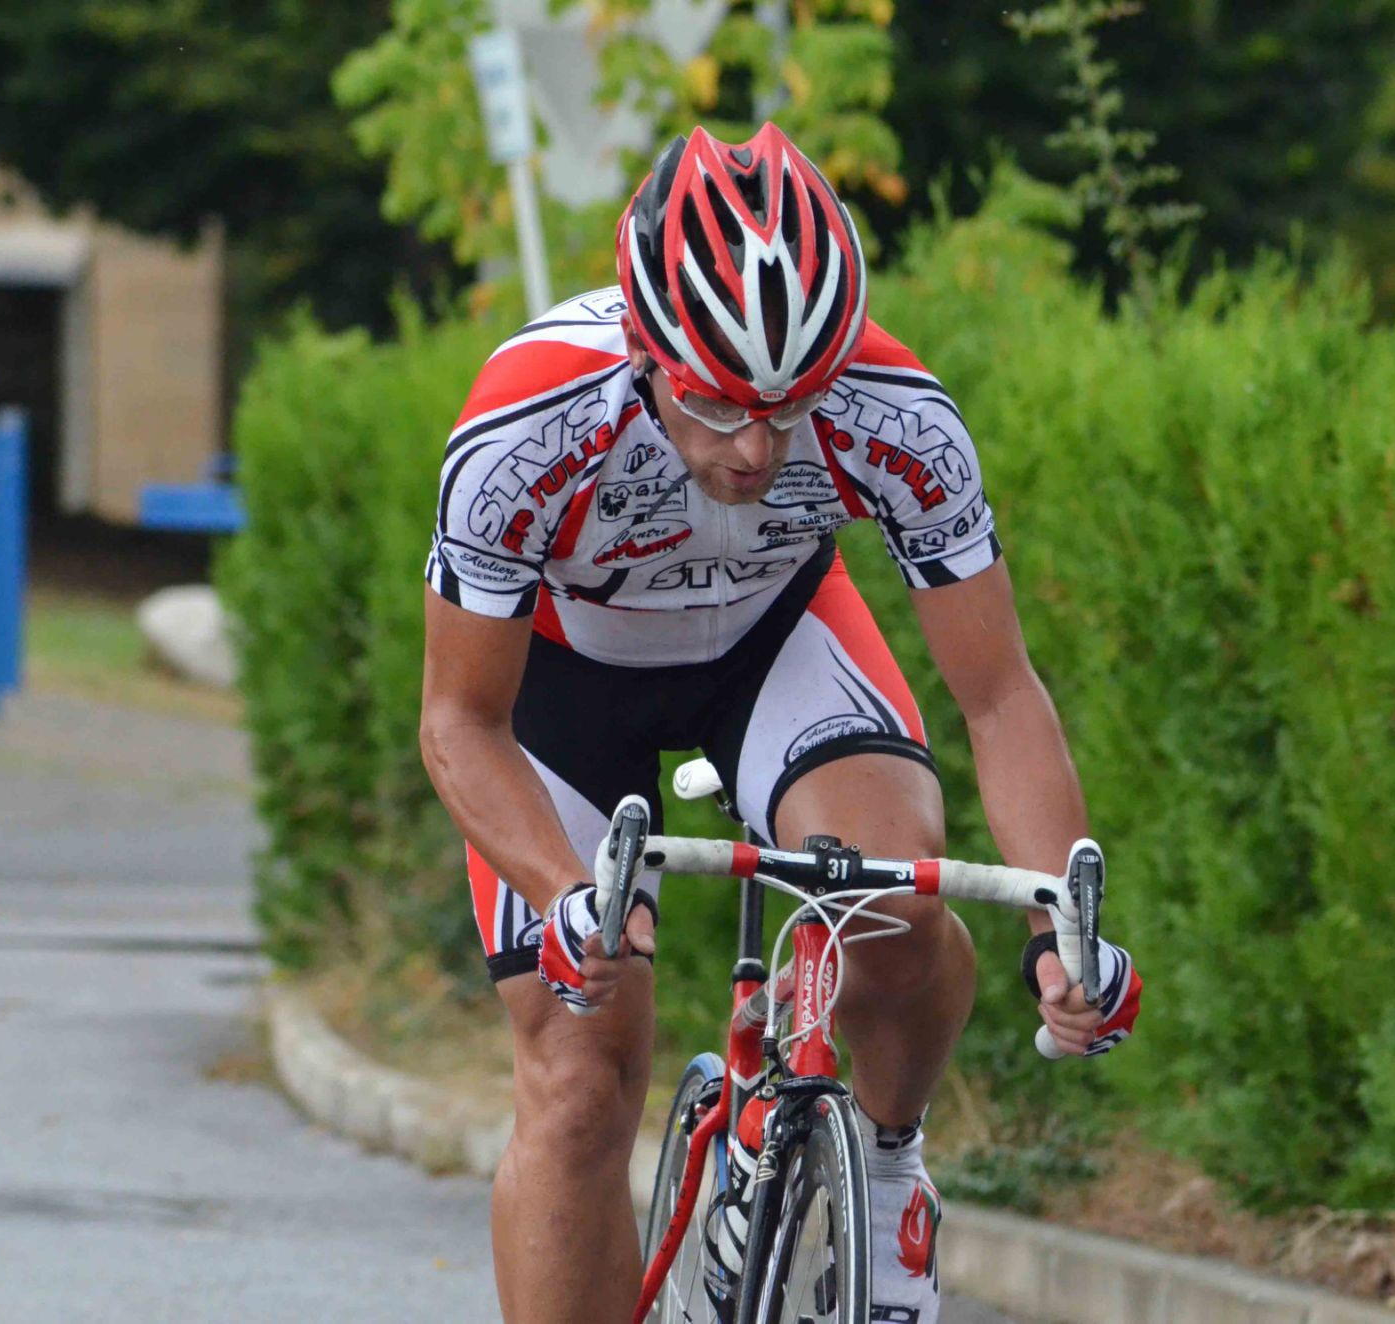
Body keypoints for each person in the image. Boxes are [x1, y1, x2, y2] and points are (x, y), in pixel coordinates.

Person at [419, 122, 1143, 1324]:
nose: (754, 448)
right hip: (563, 678)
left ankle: (888, 1172)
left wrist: (1055, 930)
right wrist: (562, 891)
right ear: (644, 350)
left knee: (893, 912)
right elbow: (457, 720)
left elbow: (998, 693)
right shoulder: (527, 421)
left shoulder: (894, 410)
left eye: (791, 407)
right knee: (579, 1075)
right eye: (713, 404)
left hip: (773, 639)